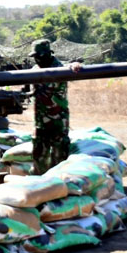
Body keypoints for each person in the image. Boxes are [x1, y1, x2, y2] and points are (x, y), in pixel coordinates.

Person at [29, 39, 81, 174]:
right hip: (40, 122)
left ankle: (60, 185)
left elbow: (71, 67)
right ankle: (40, 185)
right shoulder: (35, 70)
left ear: (47, 54)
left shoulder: (60, 68)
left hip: (58, 120)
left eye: (39, 56)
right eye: (35, 57)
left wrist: (74, 65)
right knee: (39, 155)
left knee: (60, 156)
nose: (37, 60)